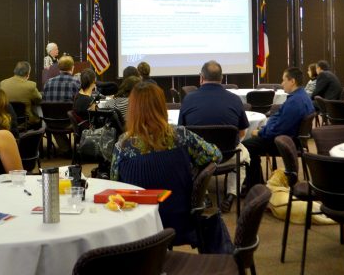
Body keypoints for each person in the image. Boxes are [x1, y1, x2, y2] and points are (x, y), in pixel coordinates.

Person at [110, 82, 222, 247]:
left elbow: (115, 185)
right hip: (181, 221)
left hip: (140, 227)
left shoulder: (123, 146)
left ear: (133, 110)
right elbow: (216, 155)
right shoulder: (181, 136)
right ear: (161, 106)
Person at [178, 60, 250, 212]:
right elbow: (242, 132)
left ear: (201, 78)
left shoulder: (189, 99)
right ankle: (231, 194)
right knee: (243, 154)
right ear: (222, 78)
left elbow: (182, 131)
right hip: (227, 155)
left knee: (185, 152)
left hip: (199, 157)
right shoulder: (235, 99)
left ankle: (203, 194)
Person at [242, 67, 312, 189]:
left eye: (284, 80)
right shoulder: (300, 96)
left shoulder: (294, 102)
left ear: (292, 81)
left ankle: (254, 185)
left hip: (285, 142)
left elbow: (278, 131)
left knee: (248, 146)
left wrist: (260, 132)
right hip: (292, 138)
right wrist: (268, 126)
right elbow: (279, 117)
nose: (281, 83)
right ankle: (255, 181)